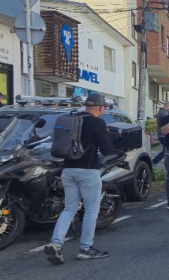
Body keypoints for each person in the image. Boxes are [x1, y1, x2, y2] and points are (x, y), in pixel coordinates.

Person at [43, 93, 116, 264]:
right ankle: (86, 248)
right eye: (104, 108)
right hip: (88, 171)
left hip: (68, 170)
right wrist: (107, 135)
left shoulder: (73, 119)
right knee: (91, 210)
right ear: (100, 107)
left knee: (69, 208)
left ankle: (56, 243)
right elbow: (106, 150)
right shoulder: (97, 123)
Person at [152, 99, 169, 166]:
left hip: (161, 134)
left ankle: (155, 162)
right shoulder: (164, 113)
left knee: (166, 150)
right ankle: (154, 161)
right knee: (168, 150)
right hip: (163, 134)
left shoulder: (161, 111)